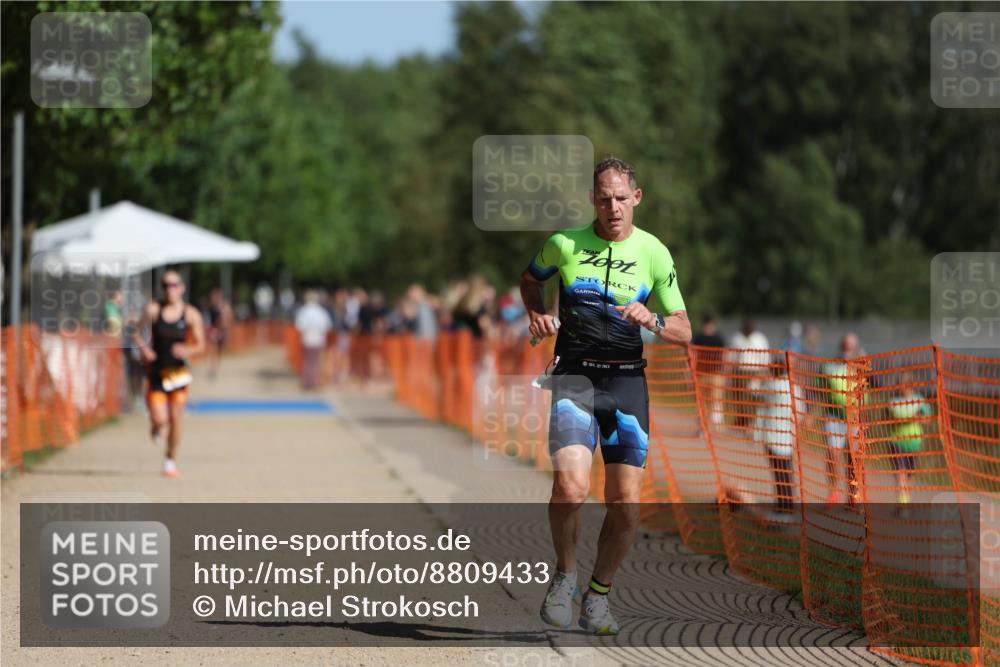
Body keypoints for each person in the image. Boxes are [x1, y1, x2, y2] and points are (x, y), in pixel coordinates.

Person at [521, 156, 691, 635]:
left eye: (621, 198)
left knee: (625, 505)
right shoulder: (564, 242)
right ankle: (565, 576)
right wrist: (535, 313)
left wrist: (652, 320)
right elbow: (530, 279)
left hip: (626, 385)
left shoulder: (655, 252)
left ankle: (598, 596)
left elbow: (683, 329)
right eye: (603, 198)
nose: (612, 207)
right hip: (575, 379)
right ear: (592, 200)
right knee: (570, 488)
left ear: (636, 198)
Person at [133, 270, 206, 477]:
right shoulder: (154, 309)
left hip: (178, 373)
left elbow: (201, 345)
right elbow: (136, 332)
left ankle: (170, 460)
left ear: (182, 288)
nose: (169, 289)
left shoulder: (191, 314)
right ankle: (156, 426)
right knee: (160, 419)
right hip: (156, 372)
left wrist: (187, 350)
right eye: (165, 285)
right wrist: (145, 350)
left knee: (175, 418)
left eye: (174, 285)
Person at [753, 356, 802, 522]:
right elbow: (800, 413)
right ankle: (785, 505)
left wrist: (759, 376)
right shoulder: (794, 388)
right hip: (788, 435)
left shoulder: (773, 386)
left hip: (774, 437)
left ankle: (784, 508)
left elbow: (753, 391)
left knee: (779, 473)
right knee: (786, 472)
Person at [823, 332, 866, 505]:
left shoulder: (861, 367)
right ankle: (834, 492)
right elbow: (819, 389)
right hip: (834, 417)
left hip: (855, 418)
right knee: (833, 455)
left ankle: (852, 493)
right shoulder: (830, 366)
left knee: (853, 458)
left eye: (852, 345)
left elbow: (877, 384)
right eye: (846, 345)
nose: (848, 348)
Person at [887, 371, 932, 505]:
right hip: (897, 442)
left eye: (904, 385)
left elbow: (927, 421)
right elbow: (884, 419)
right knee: (900, 473)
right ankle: (903, 504)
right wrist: (895, 419)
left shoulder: (920, 402)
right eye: (899, 384)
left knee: (909, 474)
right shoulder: (893, 402)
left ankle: (906, 499)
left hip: (915, 443)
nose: (901, 387)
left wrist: (920, 418)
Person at [691, 314, 726, 425]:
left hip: (715, 373)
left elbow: (724, 355)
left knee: (715, 400)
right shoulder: (699, 337)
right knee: (703, 401)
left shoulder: (718, 338)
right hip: (703, 373)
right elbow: (694, 354)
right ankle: (704, 426)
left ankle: (715, 426)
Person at [295, 290, 333, 390]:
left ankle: (308, 382)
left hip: (307, 339)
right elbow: (327, 325)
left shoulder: (304, 310)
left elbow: (300, 326)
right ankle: (314, 382)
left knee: (308, 361)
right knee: (315, 362)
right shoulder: (321, 311)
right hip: (318, 339)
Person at [203, 287, 233, 379]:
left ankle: (216, 366)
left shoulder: (224, 306)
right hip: (213, 330)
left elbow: (228, 318)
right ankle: (213, 367)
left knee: (219, 350)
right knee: (213, 348)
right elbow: (207, 318)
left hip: (221, 330)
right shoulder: (210, 307)